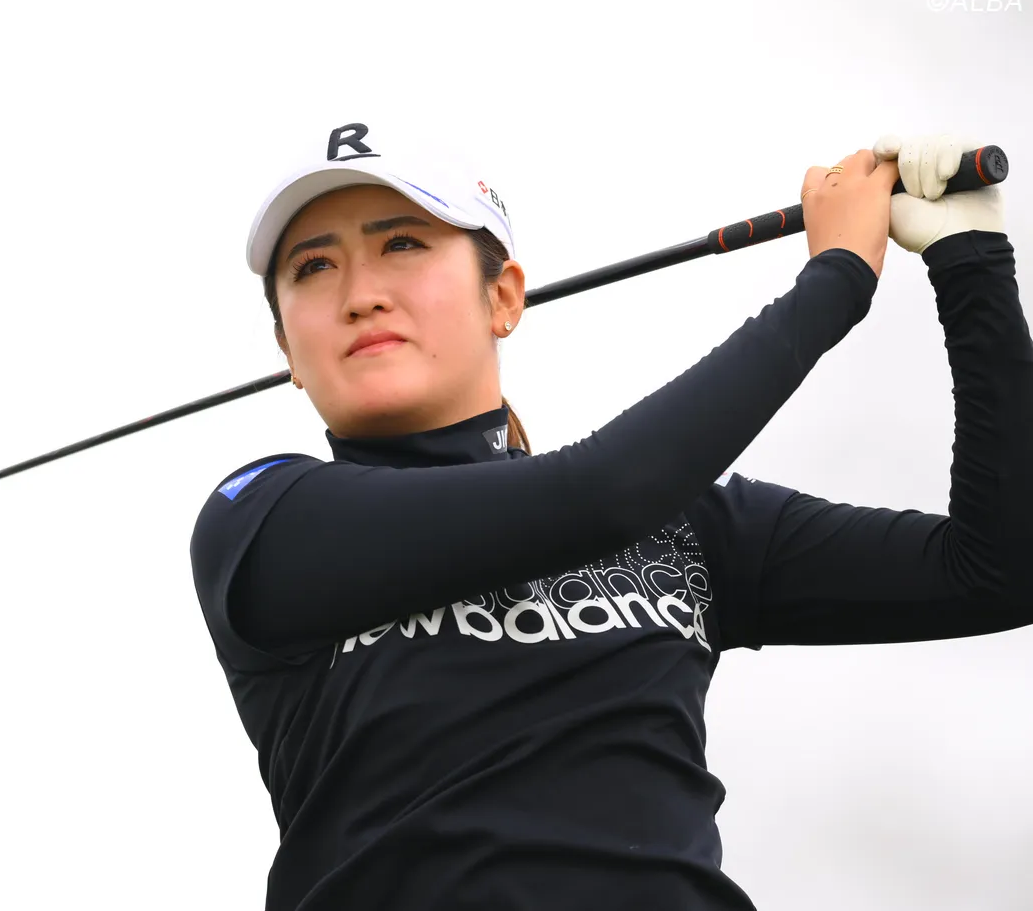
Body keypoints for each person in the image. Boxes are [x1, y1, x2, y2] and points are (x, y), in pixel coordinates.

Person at [188, 122, 1027, 910]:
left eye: (401, 243)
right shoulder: (262, 519)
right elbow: (601, 493)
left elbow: (999, 571)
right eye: (313, 267)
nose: (360, 294)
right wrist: (834, 280)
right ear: (288, 349)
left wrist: (973, 265)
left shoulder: (688, 529)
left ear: (503, 296)